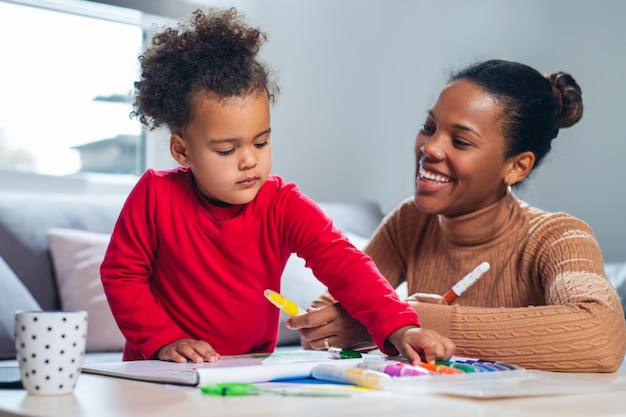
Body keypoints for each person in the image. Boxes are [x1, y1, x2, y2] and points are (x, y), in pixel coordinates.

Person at [100, 7, 455, 365]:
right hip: (162, 371)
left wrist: (401, 327)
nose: (249, 160)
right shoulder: (154, 195)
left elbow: (345, 263)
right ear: (181, 150)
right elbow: (122, 276)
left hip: (248, 373)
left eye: (261, 143)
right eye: (227, 149)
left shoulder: (282, 204)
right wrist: (163, 340)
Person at [289, 59, 626, 372]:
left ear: (516, 166)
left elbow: (601, 335)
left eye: (461, 141)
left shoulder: (560, 237)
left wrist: (400, 321)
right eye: (428, 127)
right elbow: (321, 323)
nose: (430, 148)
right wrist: (381, 323)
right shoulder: (410, 222)